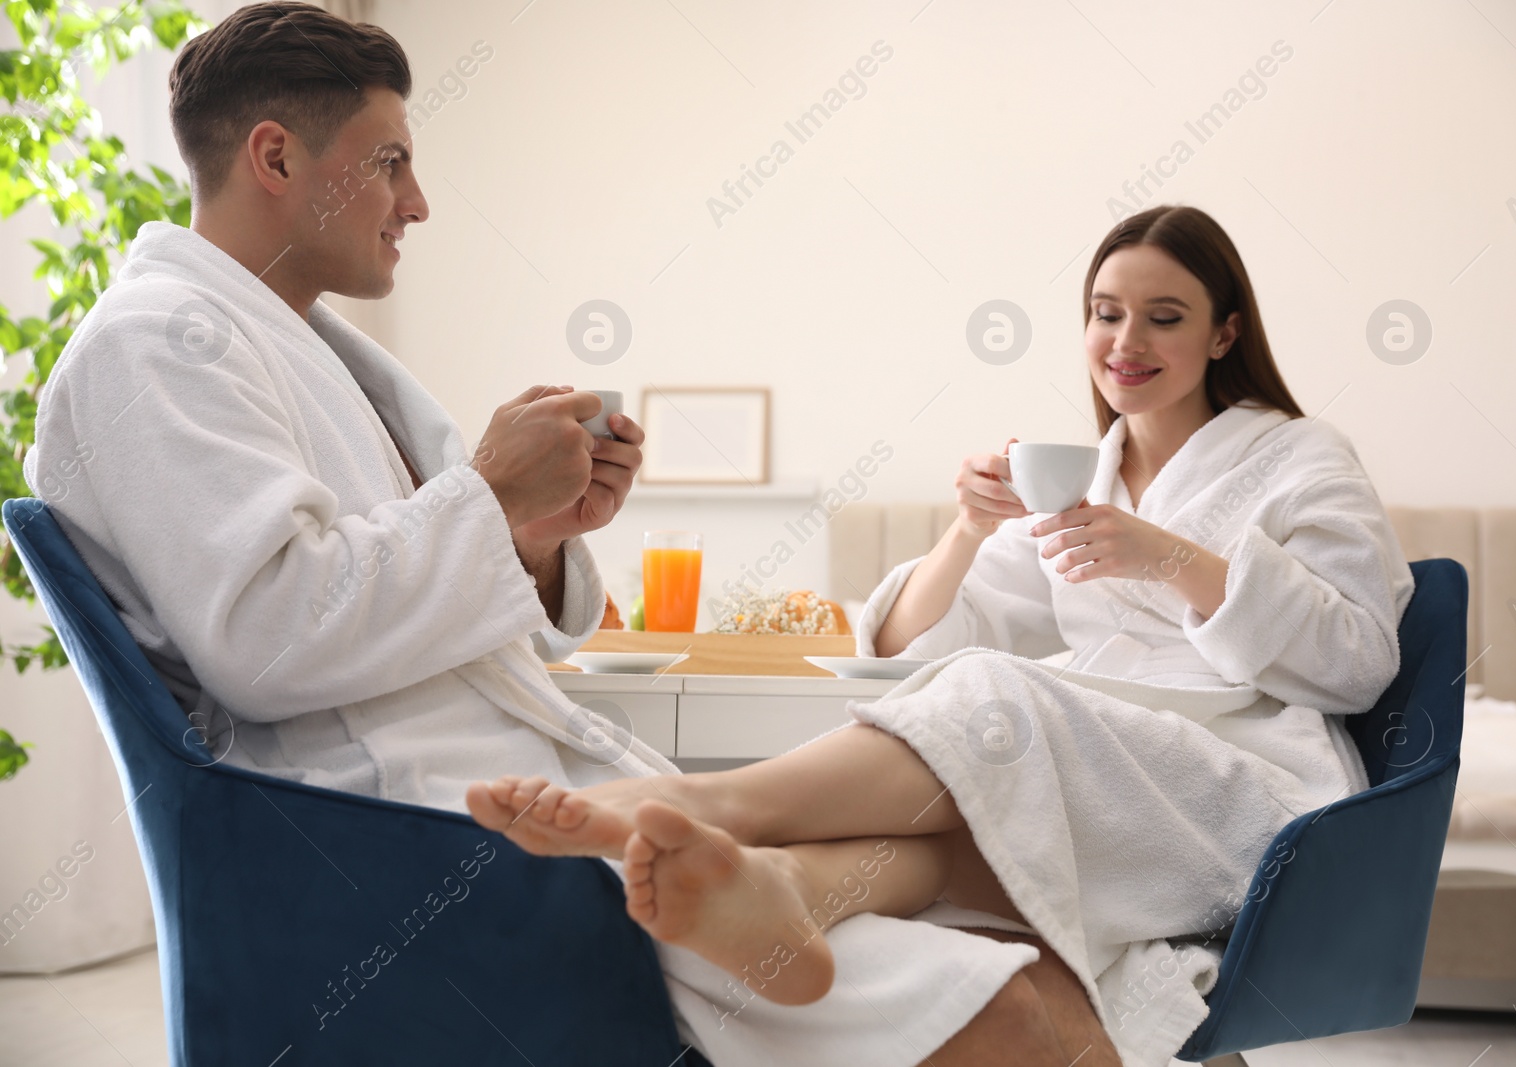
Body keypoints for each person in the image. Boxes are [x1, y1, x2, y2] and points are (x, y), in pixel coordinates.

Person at [23, 4, 1116, 1065]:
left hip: (501, 782)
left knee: (998, 886)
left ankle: (774, 887)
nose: (419, 203)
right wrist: (491, 496)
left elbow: (397, 581)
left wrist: (539, 534)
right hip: (410, 837)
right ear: (274, 158)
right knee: (1016, 1003)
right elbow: (269, 640)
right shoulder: (160, 343)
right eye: (392, 161)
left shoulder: (289, 344)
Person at [469, 202, 1417, 1066]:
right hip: (1111, 780)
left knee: (999, 696)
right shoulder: (1086, 473)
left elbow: (1359, 660)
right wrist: (970, 530)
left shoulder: (1300, 457)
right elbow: (911, 639)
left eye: (1164, 316)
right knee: (960, 809)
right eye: (1105, 312)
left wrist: (1167, 556)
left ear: (1226, 331)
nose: (1125, 340)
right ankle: (786, 887)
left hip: (1245, 783)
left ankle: (706, 801)